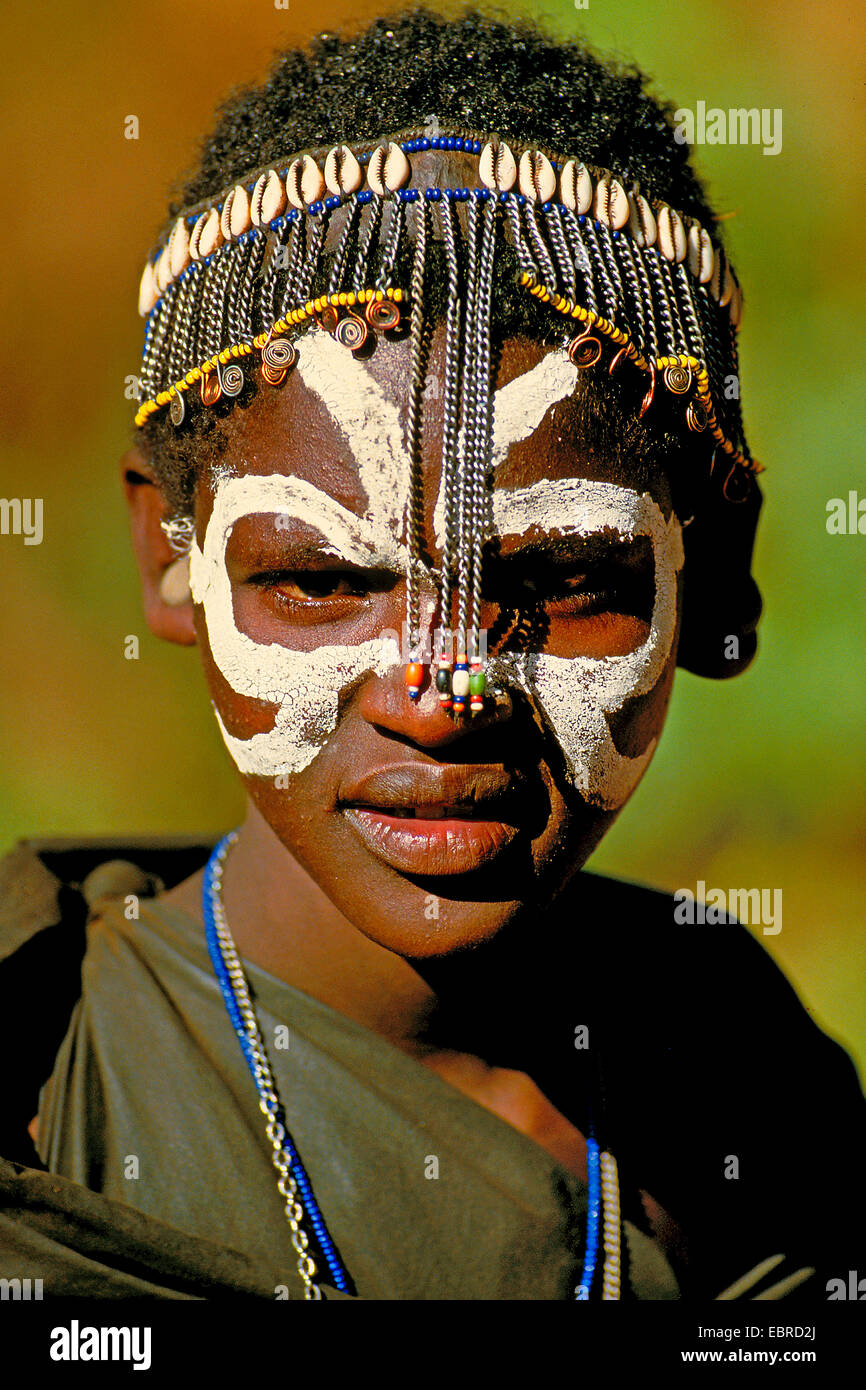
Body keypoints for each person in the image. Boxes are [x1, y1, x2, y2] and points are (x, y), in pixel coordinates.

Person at [1, 7, 863, 1302]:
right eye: (320, 579)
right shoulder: (38, 1074)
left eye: (561, 578)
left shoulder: (743, 1078)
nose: (442, 692)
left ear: (717, 570)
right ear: (171, 555)